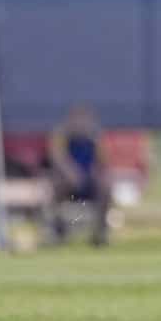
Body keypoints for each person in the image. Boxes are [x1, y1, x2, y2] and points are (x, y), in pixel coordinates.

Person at [47, 104, 113, 246]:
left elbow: (103, 162)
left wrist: (96, 174)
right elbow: (57, 157)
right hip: (67, 182)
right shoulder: (62, 136)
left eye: (84, 119)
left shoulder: (95, 137)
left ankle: (100, 232)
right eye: (77, 119)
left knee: (105, 188)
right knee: (55, 188)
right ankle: (58, 229)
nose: (80, 123)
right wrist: (70, 172)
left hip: (89, 182)